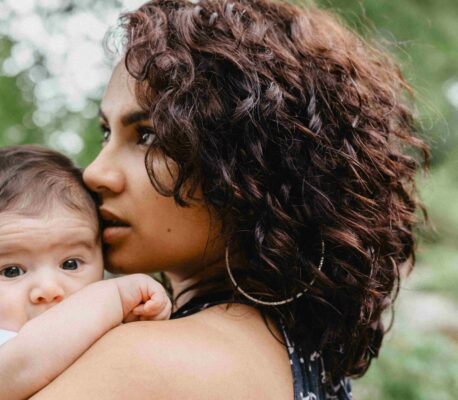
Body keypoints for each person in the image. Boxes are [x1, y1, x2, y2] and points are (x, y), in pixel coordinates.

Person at [30, 0, 430, 399]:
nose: (95, 173)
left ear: (253, 162)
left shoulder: (144, 363)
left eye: (149, 136)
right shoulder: (304, 357)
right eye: (106, 133)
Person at [0, 145, 171, 400]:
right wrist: (114, 297)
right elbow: (15, 372)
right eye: (11, 271)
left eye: (70, 264)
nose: (48, 289)